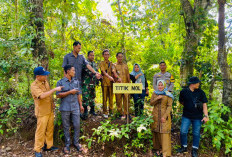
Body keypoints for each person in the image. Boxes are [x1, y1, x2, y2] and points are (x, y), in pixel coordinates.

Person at [31, 67, 63, 157]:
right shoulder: (34, 85)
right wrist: (54, 90)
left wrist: (52, 103)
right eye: (44, 75)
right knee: (40, 131)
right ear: (38, 76)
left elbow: (49, 95)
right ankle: (37, 149)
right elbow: (41, 96)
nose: (46, 76)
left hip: (49, 110)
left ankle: (48, 146)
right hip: (42, 112)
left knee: (50, 129)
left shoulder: (46, 82)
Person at [177, 77, 209, 157]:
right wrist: (189, 106)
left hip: (197, 117)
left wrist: (206, 116)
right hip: (186, 116)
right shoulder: (183, 92)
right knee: (183, 131)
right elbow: (181, 101)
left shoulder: (201, 92)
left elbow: (204, 105)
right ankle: (184, 147)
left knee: (196, 133)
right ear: (192, 84)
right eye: (197, 82)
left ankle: (194, 149)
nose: (199, 84)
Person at [56, 65, 84, 154]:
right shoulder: (60, 82)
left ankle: (76, 143)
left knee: (77, 125)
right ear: (68, 71)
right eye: (73, 70)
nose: (74, 72)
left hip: (75, 107)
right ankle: (67, 145)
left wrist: (81, 105)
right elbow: (58, 95)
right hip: (65, 108)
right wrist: (69, 92)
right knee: (66, 126)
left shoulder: (76, 82)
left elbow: (78, 94)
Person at [150, 80, 174, 157]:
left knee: (164, 133)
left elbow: (169, 106)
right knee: (156, 132)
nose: (160, 86)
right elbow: (151, 103)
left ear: (164, 86)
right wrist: (157, 98)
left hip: (164, 116)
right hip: (155, 115)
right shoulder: (155, 93)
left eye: (161, 85)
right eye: (159, 85)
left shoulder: (168, 94)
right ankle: (158, 150)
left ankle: (165, 153)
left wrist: (165, 116)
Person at [81, 51, 99, 120]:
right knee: (85, 97)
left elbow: (97, 71)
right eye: (91, 55)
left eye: (93, 55)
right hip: (86, 83)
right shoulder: (85, 63)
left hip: (93, 83)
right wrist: (96, 75)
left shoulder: (94, 64)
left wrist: (97, 80)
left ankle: (92, 110)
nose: (92, 57)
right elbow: (89, 72)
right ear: (88, 56)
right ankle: (85, 111)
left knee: (92, 96)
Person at [99, 49, 115, 118]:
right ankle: (105, 112)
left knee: (111, 97)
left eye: (108, 54)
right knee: (104, 98)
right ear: (103, 55)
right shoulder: (102, 63)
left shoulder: (111, 63)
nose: (107, 56)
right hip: (104, 82)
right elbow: (103, 71)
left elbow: (114, 71)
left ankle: (111, 111)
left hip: (111, 83)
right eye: (105, 54)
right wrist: (109, 76)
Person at [114, 52, 130, 119]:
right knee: (118, 100)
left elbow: (128, 75)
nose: (120, 58)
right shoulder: (114, 65)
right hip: (118, 85)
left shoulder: (125, 65)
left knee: (126, 99)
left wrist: (129, 84)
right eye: (119, 57)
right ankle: (120, 113)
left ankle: (127, 114)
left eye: (121, 57)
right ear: (117, 57)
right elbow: (113, 72)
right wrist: (117, 78)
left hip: (126, 84)